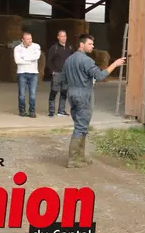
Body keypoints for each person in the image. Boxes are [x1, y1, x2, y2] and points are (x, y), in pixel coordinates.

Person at [61, 34, 125, 167]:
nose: (92, 46)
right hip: (84, 94)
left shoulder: (68, 60)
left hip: (72, 93)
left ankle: (81, 156)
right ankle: (73, 159)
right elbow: (100, 76)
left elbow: (64, 78)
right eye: (89, 44)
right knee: (80, 127)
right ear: (81, 45)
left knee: (80, 124)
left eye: (92, 44)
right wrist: (115, 64)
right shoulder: (87, 61)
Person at [46, 30, 73, 117]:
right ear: (58, 37)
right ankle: (51, 111)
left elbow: (73, 60)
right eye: (61, 36)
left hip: (66, 74)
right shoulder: (54, 48)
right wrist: (52, 71)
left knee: (64, 92)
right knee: (54, 92)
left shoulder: (70, 47)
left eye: (65, 36)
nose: (63, 38)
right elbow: (49, 60)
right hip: (57, 73)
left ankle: (61, 111)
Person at [14, 31, 41, 118]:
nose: (30, 40)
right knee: (22, 94)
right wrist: (30, 60)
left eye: (31, 38)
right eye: (28, 39)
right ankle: (22, 111)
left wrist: (24, 58)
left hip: (33, 73)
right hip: (22, 73)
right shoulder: (17, 48)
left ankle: (32, 111)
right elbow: (17, 61)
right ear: (23, 40)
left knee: (32, 94)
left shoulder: (36, 46)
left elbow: (36, 57)